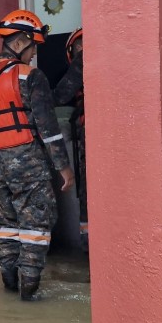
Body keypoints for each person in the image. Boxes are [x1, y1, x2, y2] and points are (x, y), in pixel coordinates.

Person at [0, 9, 74, 301]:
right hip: (27, 159)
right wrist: (63, 167)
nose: (34, 54)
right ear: (20, 42)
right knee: (35, 226)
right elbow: (48, 127)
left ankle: (9, 284)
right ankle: (29, 296)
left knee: (5, 225)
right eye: (33, 47)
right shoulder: (30, 76)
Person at [53, 28, 88, 254]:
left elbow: (60, 95)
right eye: (78, 46)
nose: (81, 50)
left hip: (92, 133)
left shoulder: (83, 59)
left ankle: (90, 250)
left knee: (88, 190)